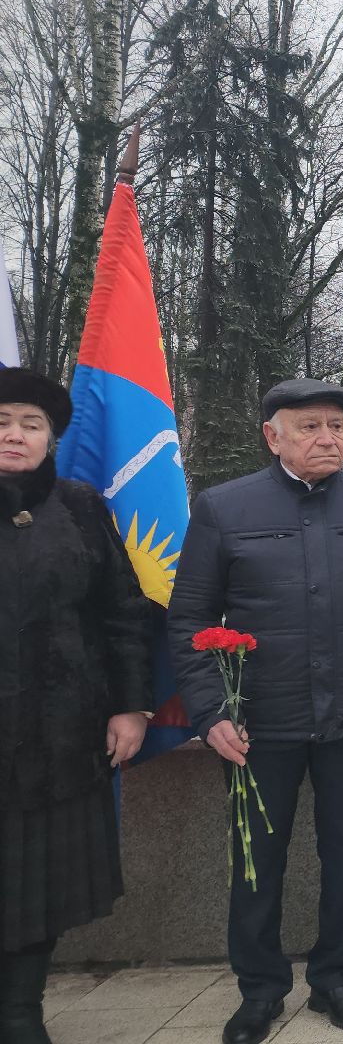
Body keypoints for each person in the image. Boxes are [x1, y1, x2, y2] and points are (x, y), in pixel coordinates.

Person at [168, 378, 343, 1044]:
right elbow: (189, 619)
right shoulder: (225, 508)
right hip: (258, 723)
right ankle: (260, 990)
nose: (327, 437)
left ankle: (337, 979)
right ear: (273, 435)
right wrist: (208, 713)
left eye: (337, 426)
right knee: (259, 862)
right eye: (309, 425)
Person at [0, 368, 151, 1044]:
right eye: (3, 423)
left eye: (31, 424)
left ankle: (22, 1010)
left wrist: (131, 706)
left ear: (52, 438)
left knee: (38, 878)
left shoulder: (80, 505)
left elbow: (120, 611)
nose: (15, 435)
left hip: (59, 729)